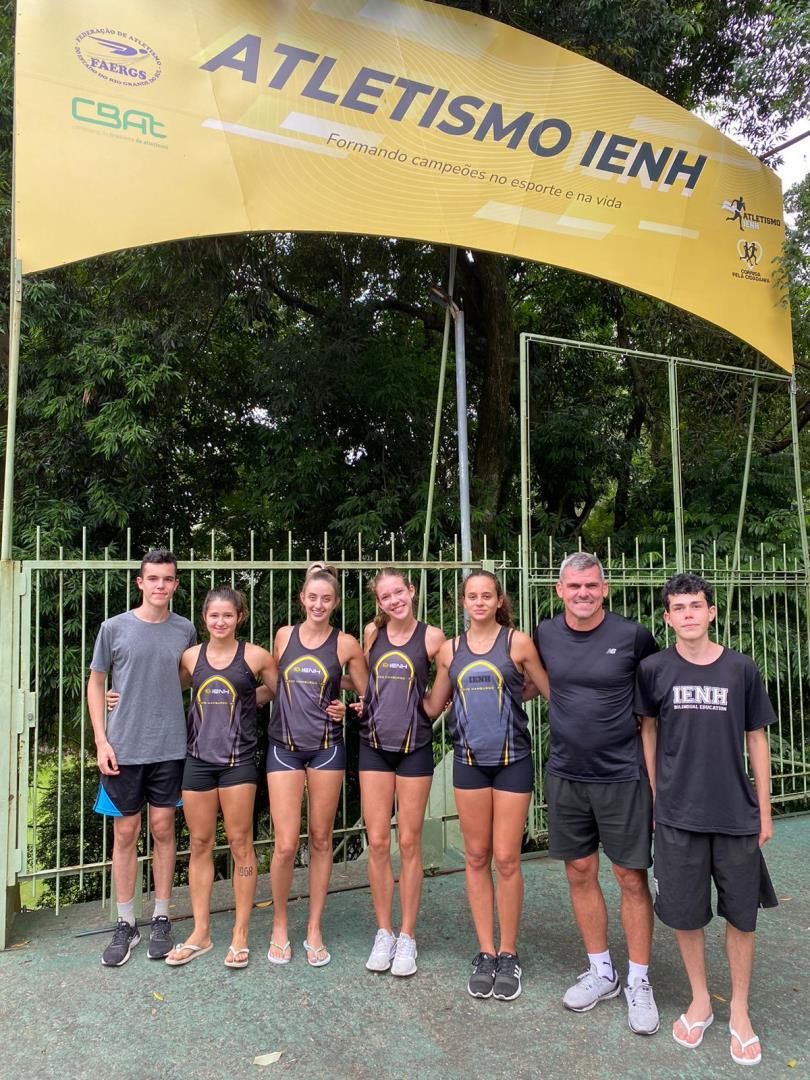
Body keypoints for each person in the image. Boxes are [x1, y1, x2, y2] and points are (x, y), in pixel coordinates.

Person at [635, 573, 777, 1066]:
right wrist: (657, 793)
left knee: (741, 914)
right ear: (668, 617)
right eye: (679, 607)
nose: (689, 614)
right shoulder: (653, 669)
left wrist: (765, 805)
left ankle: (738, 1008)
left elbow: (757, 737)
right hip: (678, 814)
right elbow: (647, 731)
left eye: (698, 605)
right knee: (686, 912)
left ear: (712, 612)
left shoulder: (741, 669)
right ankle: (701, 1000)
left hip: (735, 812)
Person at [532, 552, 660, 1035]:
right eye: (574, 586)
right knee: (580, 872)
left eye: (591, 585)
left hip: (623, 776)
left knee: (630, 876)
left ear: (603, 589)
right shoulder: (544, 634)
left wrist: (657, 779)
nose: (582, 593)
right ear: (559, 591)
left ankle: (639, 982)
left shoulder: (633, 636)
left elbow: (656, 704)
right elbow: (521, 675)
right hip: (566, 774)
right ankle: (601, 971)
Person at [424, 571, 549, 1001]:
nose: (479, 602)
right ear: (462, 602)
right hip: (469, 764)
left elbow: (546, 688)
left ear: (499, 600)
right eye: (471, 596)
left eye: (487, 595)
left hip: (512, 762)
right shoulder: (449, 651)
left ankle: (509, 953)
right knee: (476, 858)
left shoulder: (518, 642)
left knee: (507, 859)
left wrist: (516, 694)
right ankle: (485, 951)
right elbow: (432, 704)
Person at [88, 549, 196, 967]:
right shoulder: (114, 628)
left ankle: (162, 916)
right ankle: (126, 923)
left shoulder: (185, 630)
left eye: (167, 579)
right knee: (125, 834)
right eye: (153, 578)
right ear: (140, 582)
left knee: (164, 828)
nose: (160, 585)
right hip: (124, 747)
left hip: (170, 746)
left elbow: (187, 678)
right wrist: (101, 740)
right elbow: (96, 684)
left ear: (175, 584)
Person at [161, 587, 278, 969]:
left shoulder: (257, 656)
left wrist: (257, 696)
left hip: (238, 762)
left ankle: (240, 934)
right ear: (204, 618)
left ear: (239, 617)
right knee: (199, 842)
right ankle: (201, 933)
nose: (220, 622)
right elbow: (161, 689)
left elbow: (284, 693)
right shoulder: (191, 657)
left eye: (228, 615)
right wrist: (116, 696)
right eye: (214, 616)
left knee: (241, 843)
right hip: (197, 760)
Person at [266, 563, 367, 967]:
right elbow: (273, 682)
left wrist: (348, 705)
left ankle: (313, 929)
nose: (319, 604)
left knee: (321, 839)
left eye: (327, 598)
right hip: (283, 748)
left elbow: (367, 691)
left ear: (336, 602)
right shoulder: (283, 636)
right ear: (302, 600)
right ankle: (278, 924)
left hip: (326, 748)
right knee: (286, 843)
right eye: (313, 597)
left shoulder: (346, 644)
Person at [355, 568, 446, 977]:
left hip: (414, 749)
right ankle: (384, 932)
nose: (394, 600)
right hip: (373, 747)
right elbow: (365, 686)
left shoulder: (432, 637)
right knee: (377, 842)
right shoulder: (371, 636)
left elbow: (438, 695)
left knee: (408, 843)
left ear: (411, 591)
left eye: (399, 592)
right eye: (385, 596)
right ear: (380, 602)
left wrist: (431, 707)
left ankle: (407, 935)